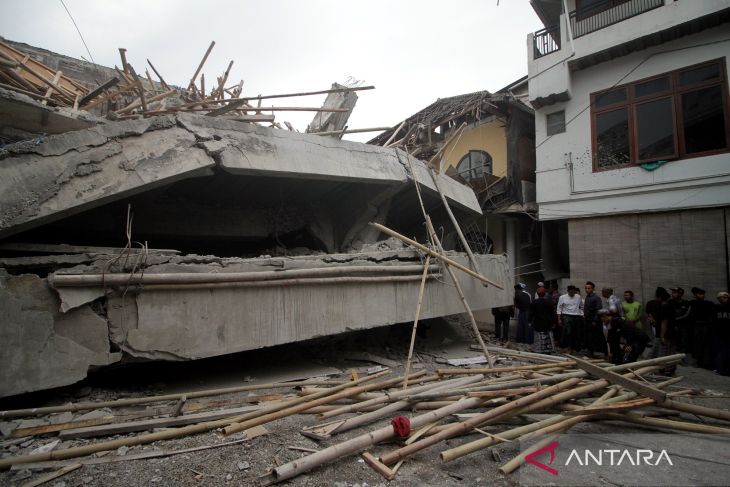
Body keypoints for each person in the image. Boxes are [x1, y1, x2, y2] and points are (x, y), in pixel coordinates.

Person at [651, 287, 676, 375]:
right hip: (667, 333)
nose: (655, 298)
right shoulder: (667, 305)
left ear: (660, 297)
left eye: (656, 296)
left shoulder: (665, 307)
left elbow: (664, 322)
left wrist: (662, 336)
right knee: (666, 352)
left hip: (665, 334)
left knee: (664, 353)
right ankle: (666, 369)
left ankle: (665, 370)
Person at [689, 287, 715, 369]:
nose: (701, 295)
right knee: (698, 344)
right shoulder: (693, 303)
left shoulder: (709, 303)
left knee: (705, 344)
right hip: (697, 325)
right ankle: (699, 361)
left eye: (702, 294)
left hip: (705, 325)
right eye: (699, 294)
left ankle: (705, 362)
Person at [557, 285, 584, 354]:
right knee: (568, 333)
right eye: (571, 292)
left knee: (576, 333)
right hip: (566, 315)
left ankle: (575, 348)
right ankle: (568, 348)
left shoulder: (578, 297)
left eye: (573, 292)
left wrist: (581, 314)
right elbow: (559, 308)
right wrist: (559, 319)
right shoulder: (562, 297)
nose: (572, 293)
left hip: (576, 316)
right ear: (568, 291)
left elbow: (581, 306)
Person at [584, 281, 606, 356]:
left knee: (598, 336)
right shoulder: (587, 297)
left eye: (589, 288)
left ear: (593, 289)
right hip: (588, 320)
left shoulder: (596, 298)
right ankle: (590, 351)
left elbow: (598, 310)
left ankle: (604, 352)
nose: (587, 290)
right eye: (586, 288)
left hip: (594, 320)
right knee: (589, 337)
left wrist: (595, 320)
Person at [530, 286, 555, 354]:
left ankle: (539, 349)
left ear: (537, 294)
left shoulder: (534, 302)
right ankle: (549, 349)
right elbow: (552, 313)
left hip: (538, 322)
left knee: (539, 336)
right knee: (548, 335)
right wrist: (553, 322)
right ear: (545, 293)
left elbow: (531, 313)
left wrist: (529, 321)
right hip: (548, 322)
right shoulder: (550, 302)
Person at [669, 287, 691, 356]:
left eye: (675, 293)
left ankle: (682, 357)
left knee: (683, 342)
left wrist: (675, 319)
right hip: (672, 326)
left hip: (683, 326)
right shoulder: (670, 302)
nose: (672, 294)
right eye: (672, 293)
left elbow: (686, 315)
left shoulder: (686, 303)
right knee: (673, 343)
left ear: (680, 294)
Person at [715, 292, 730, 376]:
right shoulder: (716, 308)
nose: (723, 299)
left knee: (727, 351)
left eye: (725, 297)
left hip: (727, 333)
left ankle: (726, 369)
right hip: (720, 333)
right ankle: (721, 369)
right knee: (721, 351)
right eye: (721, 298)